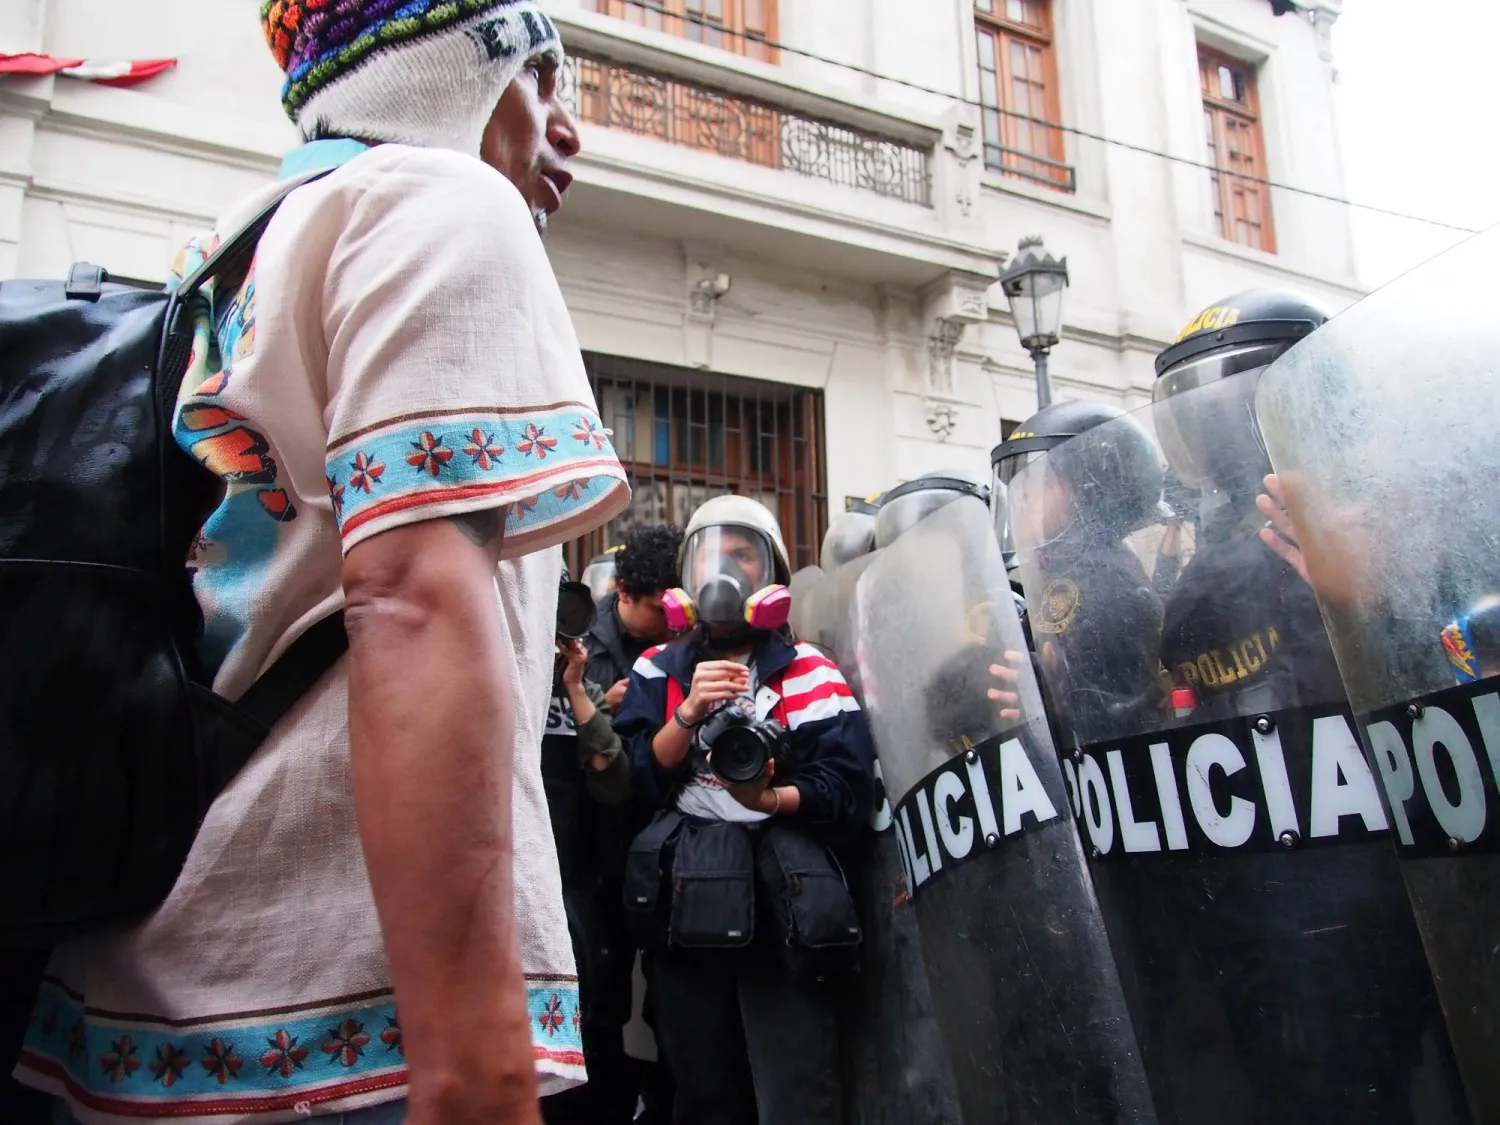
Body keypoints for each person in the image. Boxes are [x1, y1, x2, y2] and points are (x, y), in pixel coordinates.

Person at [12, 6, 629, 1124]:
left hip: (144, 1002)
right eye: (542, 74)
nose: (568, 126)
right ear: (456, 70)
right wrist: (474, 1078)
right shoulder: (444, 205)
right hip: (345, 1026)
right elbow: (409, 603)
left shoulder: (249, 243)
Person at [614, 496, 874, 1125]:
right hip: (688, 912)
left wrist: (772, 798)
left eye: (743, 555)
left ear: (772, 576)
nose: (724, 572)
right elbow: (628, 783)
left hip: (783, 911)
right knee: (703, 1089)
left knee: (797, 1085)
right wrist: (687, 715)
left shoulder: (811, 672)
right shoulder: (659, 669)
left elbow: (847, 789)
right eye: (710, 555)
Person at [1152, 289, 1343, 718]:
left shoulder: (1371, 528)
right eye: (1207, 420)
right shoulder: (1210, 564)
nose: (1222, 441)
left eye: (1239, 412)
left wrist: (1358, 603)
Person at [993, 403, 1168, 746]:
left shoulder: (1101, 581)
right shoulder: (1065, 574)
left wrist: (1046, 696)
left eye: (1033, 487)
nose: (1020, 503)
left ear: (1088, 488)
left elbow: (1119, 713)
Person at [540, 574, 637, 1125]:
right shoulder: (497, 675)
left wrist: (576, 686)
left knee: (594, 1028)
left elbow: (613, 780)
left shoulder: (577, 690)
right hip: (517, 889)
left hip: (580, 888)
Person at [586, 524, 685, 712]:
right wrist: (601, 707)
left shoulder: (697, 635)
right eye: (661, 610)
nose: (674, 621)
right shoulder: (582, 644)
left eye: (683, 608)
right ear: (624, 591)